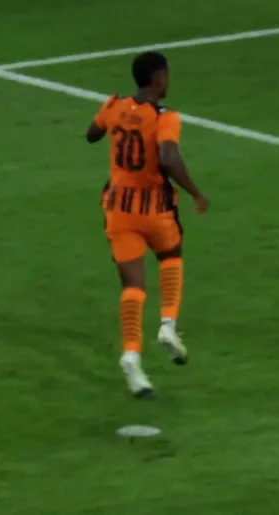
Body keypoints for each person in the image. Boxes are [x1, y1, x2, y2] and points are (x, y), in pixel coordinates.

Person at [86, 51, 209, 398]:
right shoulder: (165, 117)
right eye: (166, 75)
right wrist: (196, 192)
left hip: (118, 210)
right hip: (154, 209)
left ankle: (131, 356)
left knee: (133, 286)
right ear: (157, 79)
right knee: (171, 255)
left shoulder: (114, 105)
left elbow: (92, 134)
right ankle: (168, 325)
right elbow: (168, 158)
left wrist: (114, 119)